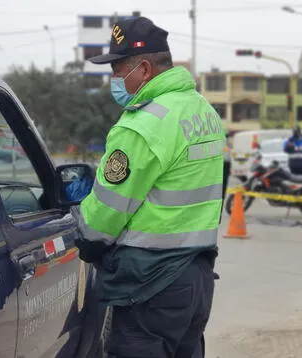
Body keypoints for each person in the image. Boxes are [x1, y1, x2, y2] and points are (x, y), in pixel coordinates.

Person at [72, 17, 221, 358]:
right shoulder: (203, 111)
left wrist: (88, 240)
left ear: (143, 69)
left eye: (117, 69)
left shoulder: (143, 125)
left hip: (150, 282)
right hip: (196, 276)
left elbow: (106, 213)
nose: (114, 79)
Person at [223, 132, 232, 201]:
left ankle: (222, 196)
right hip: (223, 163)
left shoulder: (228, 145)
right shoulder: (223, 143)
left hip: (227, 163)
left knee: (224, 182)